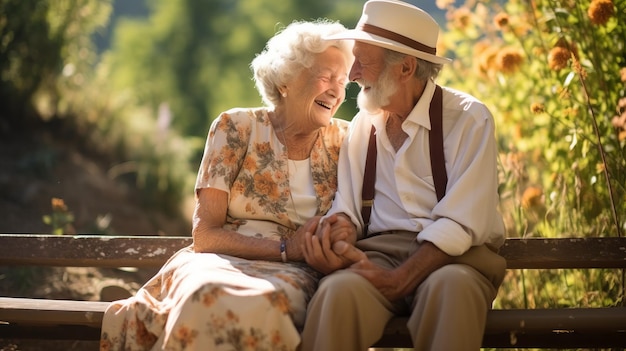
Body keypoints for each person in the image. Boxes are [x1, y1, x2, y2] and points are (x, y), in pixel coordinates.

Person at [99, 19, 353, 351]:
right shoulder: (235, 127)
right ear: (287, 80)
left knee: (264, 305)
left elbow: (355, 221)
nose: (336, 90)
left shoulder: (348, 141)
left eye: (343, 81)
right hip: (218, 260)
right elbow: (205, 235)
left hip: (296, 273)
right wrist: (285, 248)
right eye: (325, 77)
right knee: (204, 294)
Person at [300, 1, 507, 350]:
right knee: (337, 292)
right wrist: (337, 234)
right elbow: (348, 209)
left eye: (363, 62)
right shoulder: (364, 126)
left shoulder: (469, 119)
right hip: (379, 254)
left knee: (452, 289)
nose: (353, 75)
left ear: (406, 68)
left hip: (456, 260)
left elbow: (462, 223)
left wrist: (400, 280)